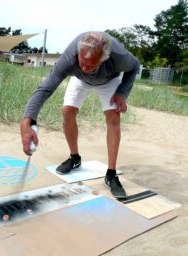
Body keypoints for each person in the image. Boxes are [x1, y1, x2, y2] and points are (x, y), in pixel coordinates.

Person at [20, 31, 140, 198]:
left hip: (109, 80)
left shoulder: (118, 54)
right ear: (79, 53)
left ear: (103, 58)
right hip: (79, 79)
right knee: (67, 110)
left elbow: (135, 66)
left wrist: (122, 93)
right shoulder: (70, 58)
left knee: (113, 117)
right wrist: (27, 121)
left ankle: (111, 174)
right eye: (82, 62)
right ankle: (74, 158)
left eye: (90, 65)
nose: (85, 68)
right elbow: (45, 88)